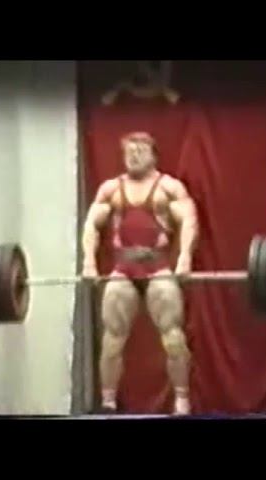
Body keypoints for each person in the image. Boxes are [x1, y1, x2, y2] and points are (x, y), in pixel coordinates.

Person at [81, 131, 199, 415]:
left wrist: (185, 257)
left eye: (140, 150)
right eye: (129, 151)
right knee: (112, 338)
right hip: (123, 269)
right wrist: (89, 262)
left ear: (154, 155)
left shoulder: (168, 187)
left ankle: (182, 401)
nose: (133, 156)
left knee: (173, 336)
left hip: (158, 268)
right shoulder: (111, 189)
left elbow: (189, 220)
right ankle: (108, 402)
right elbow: (91, 225)